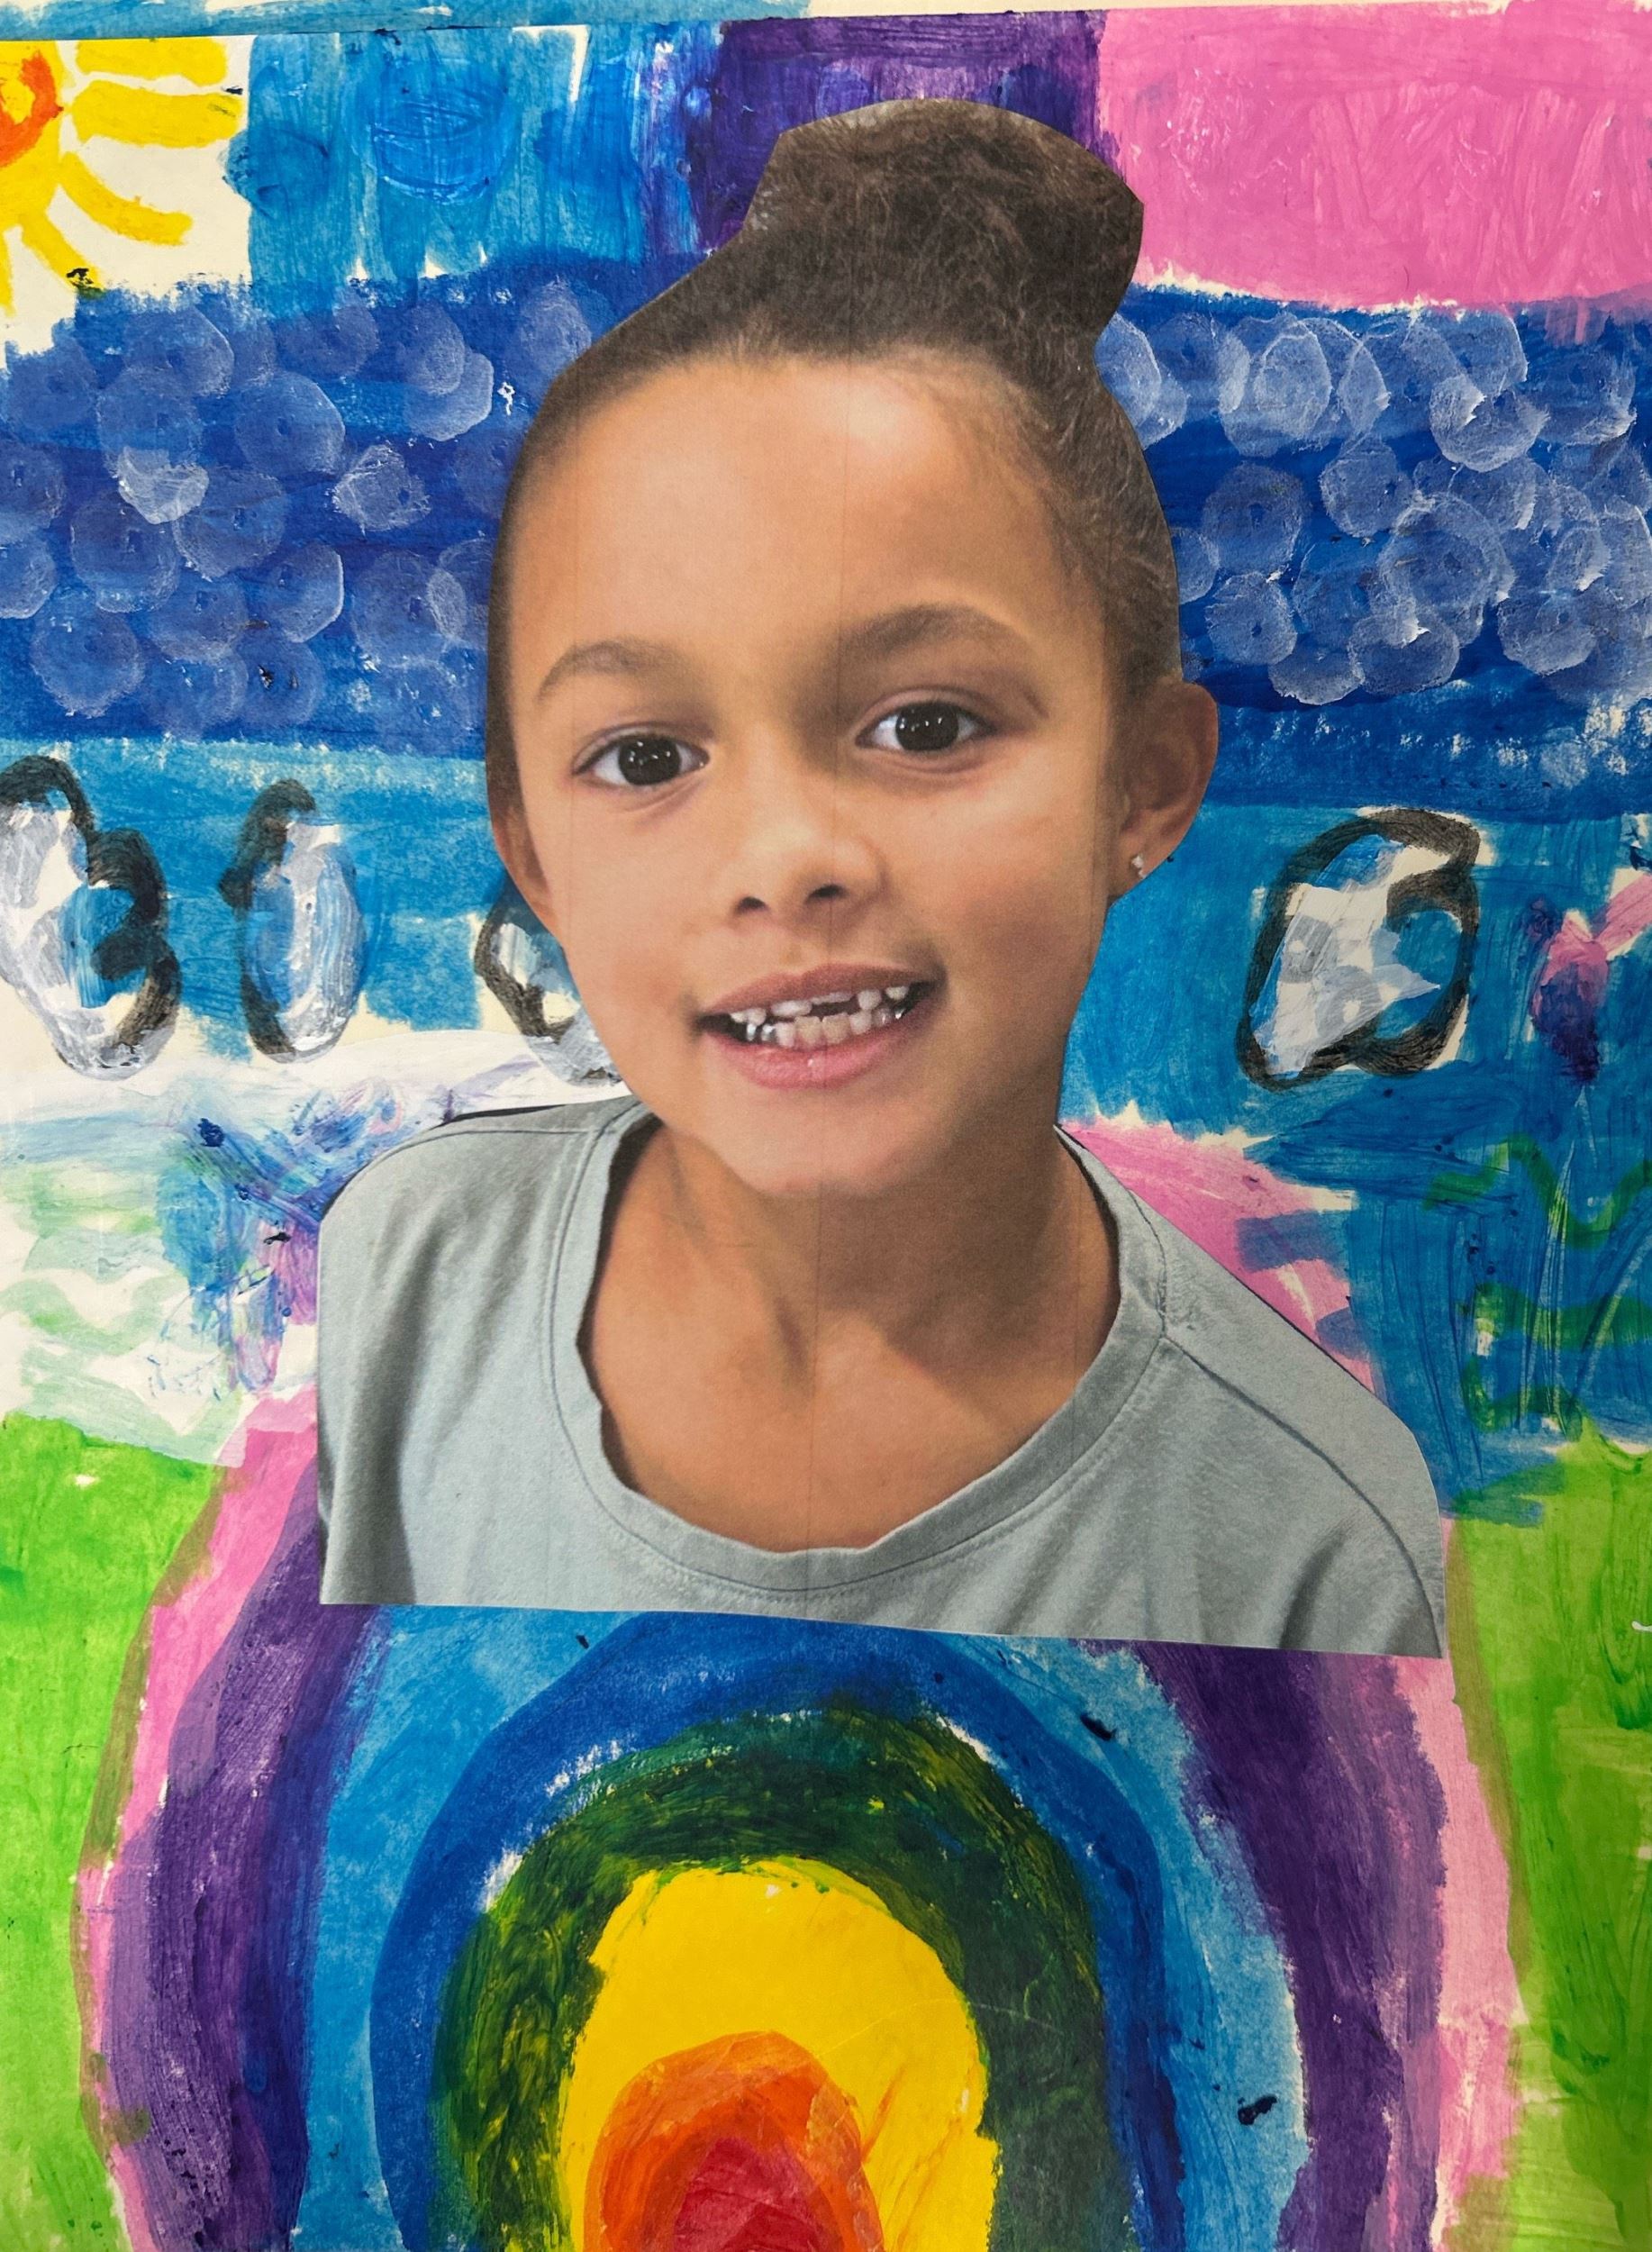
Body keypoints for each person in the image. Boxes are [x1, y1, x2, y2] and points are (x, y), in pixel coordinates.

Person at [315, 98, 1446, 1655]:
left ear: (1141, 784)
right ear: (532, 857)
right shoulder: (410, 1272)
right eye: (644, 757)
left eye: (924, 726)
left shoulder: (1309, 1536)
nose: (785, 860)